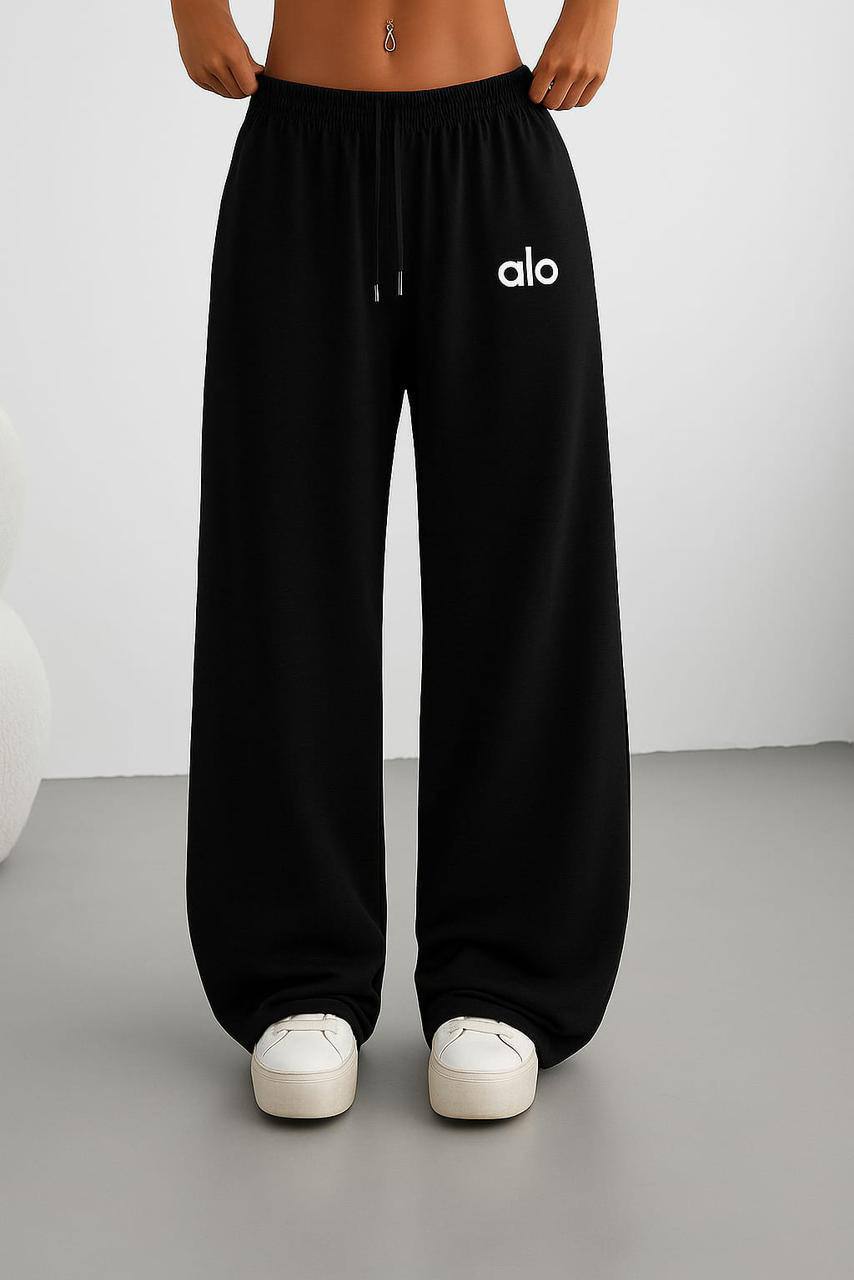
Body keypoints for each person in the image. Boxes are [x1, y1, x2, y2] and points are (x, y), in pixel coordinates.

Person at [173, 0, 629, 1121]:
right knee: (282, 564)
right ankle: (298, 972)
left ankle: (504, 975)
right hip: (297, 158)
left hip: (494, 151)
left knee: (522, 569)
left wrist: (596, 8)